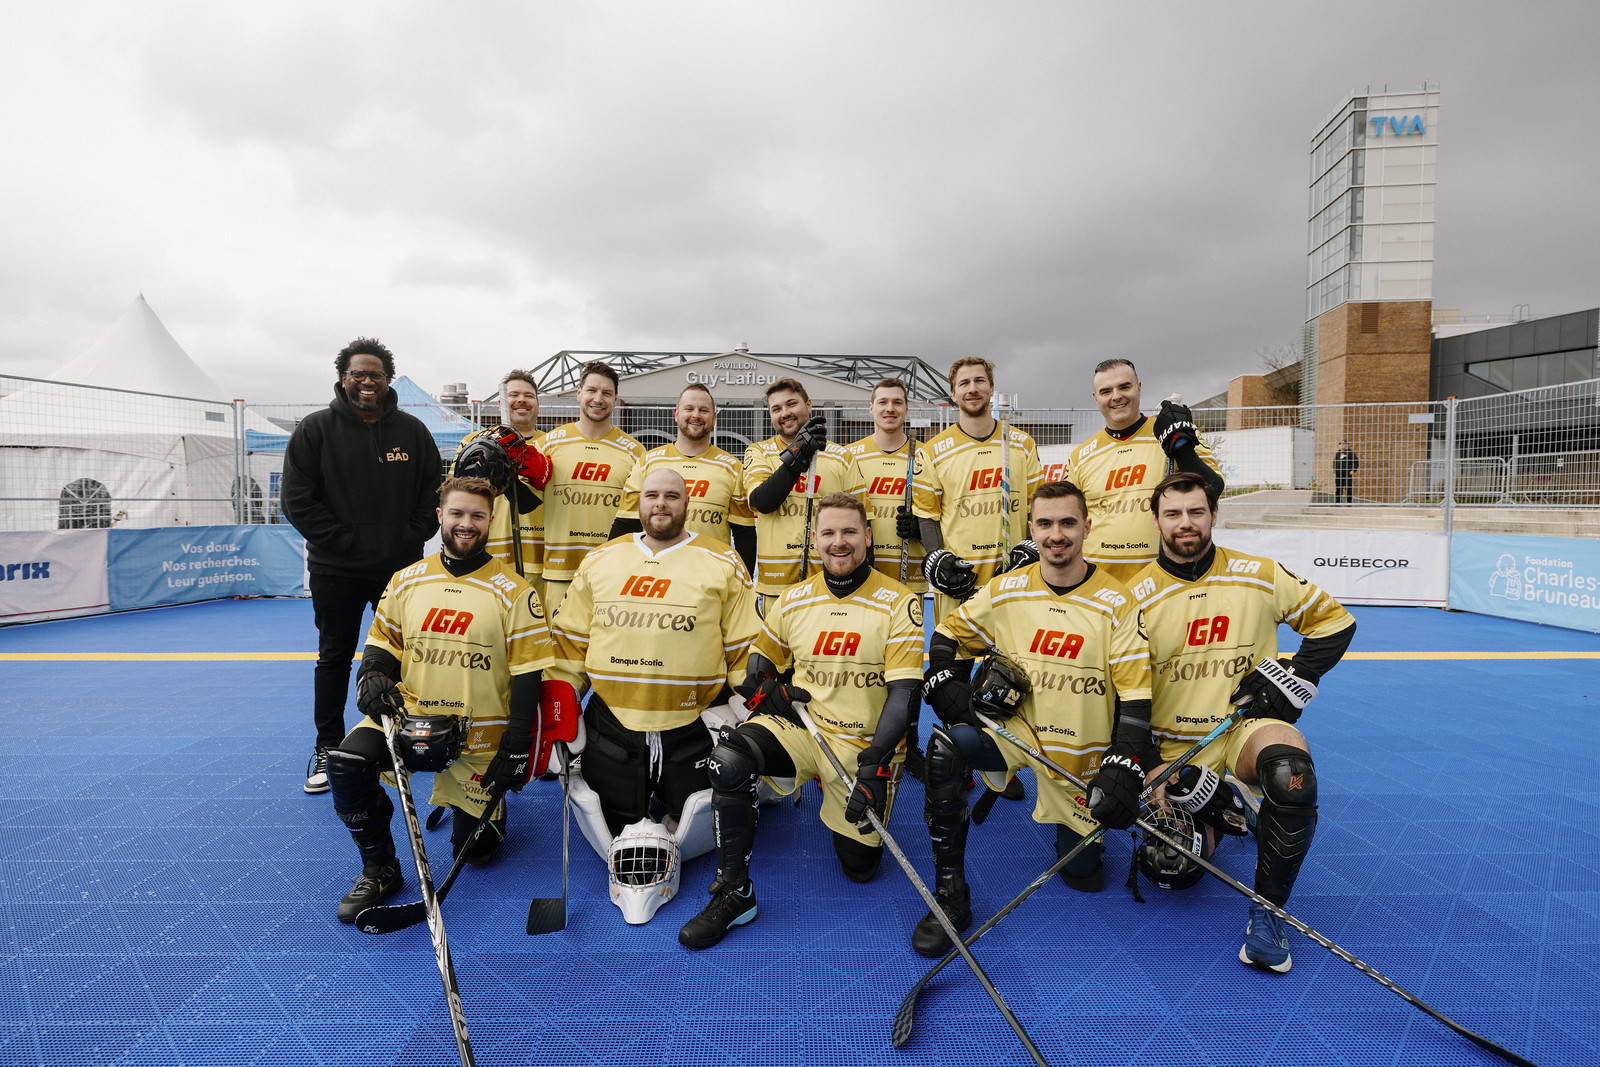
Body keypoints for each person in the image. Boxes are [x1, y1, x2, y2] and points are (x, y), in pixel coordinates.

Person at [913, 480, 1153, 957]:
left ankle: (1076, 829)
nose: (1055, 534)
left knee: (1083, 877)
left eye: (1067, 523)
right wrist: (942, 676)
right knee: (945, 747)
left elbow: (1135, 698)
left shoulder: (1119, 602)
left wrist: (1125, 762)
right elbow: (948, 633)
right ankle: (950, 893)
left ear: (1087, 527)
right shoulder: (1006, 590)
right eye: (1044, 523)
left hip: (1079, 758)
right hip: (1014, 733)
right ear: (1031, 528)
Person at [1129, 471, 1356, 973]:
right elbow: (1120, 693)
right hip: (1172, 751)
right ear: (1156, 521)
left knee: (1293, 777)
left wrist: (1296, 673)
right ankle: (1225, 805)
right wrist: (1147, 763)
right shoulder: (1131, 597)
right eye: (1173, 513)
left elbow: (1336, 622)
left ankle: (1268, 913)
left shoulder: (1260, 574)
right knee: (1174, 866)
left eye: (1196, 511)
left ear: (1213, 514)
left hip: (1241, 732)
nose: (1185, 523)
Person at [678, 492, 923, 949]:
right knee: (728, 760)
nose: (839, 542)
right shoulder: (793, 598)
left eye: (849, 531)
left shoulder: (899, 602)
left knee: (860, 869)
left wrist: (875, 762)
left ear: (868, 537)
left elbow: (905, 694)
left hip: (862, 745)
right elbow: (756, 671)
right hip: (803, 729)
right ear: (815, 540)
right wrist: (769, 694)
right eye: (828, 533)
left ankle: (844, 801)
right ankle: (735, 893)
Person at [324, 476, 555, 922]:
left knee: (478, 853)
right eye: (457, 513)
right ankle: (380, 868)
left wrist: (516, 746)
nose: (466, 523)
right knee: (348, 763)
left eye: (477, 515)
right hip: (409, 716)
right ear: (440, 517)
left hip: (479, 739)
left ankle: (491, 813)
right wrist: (371, 675)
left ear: (491, 520)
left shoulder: (516, 591)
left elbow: (529, 675)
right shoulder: (406, 580)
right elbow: (383, 645)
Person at [549, 468, 760, 844]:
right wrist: (556, 717)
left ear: (687, 504)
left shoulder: (723, 561)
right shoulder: (601, 558)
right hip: (613, 724)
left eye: (671, 496)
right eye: (652, 496)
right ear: (639, 502)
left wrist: (754, 715)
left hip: (694, 724)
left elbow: (744, 648)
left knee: (700, 822)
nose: (661, 504)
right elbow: (569, 644)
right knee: (616, 825)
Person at [281, 337, 442, 796]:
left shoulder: (413, 431)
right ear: (343, 378)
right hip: (336, 570)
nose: (367, 381)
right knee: (334, 657)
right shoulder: (315, 430)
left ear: (388, 380)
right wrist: (347, 542)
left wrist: (409, 537)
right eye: (359, 374)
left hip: (400, 571)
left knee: (408, 656)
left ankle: (406, 743)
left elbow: (433, 491)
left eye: (376, 374)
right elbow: (296, 501)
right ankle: (327, 747)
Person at [1065, 358, 1222, 584]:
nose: (1116, 396)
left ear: (1138, 388)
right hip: (1100, 584)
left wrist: (1182, 448)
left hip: (1165, 582)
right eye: (1106, 391)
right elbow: (1066, 517)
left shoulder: (1173, 430)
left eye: (1124, 387)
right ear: (1095, 398)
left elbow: (1213, 490)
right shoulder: (1080, 455)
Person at [914, 356, 1044, 629]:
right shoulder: (933, 451)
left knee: (1013, 655)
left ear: (991, 388)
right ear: (953, 393)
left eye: (979, 381)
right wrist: (937, 559)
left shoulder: (1023, 444)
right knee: (953, 652)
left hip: (1013, 580)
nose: (972, 389)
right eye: (964, 383)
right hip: (959, 582)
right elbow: (927, 516)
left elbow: (1037, 508)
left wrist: (1031, 550)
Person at [742, 378, 867, 610]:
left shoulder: (841, 457)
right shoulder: (758, 452)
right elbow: (762, 501)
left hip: (833, 583)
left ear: (808, 405)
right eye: (776, 409)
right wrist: (796, 455)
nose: (785, 413)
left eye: (791, 404)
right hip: (777, 585)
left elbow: (862, 521)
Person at [610, 383, 757, 575]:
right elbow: (625, 525)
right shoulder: (648, 463)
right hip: (655, 575)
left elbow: (744, 535)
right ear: (676, 414)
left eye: (703, 410)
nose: (696, 415)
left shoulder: (733, 468)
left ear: (713, 418)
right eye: (689, 409)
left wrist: (743, 581)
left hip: (709, 577)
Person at [536, 361, 645, 619]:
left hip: (613, 573)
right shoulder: (547, 445)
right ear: (579, 393)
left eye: (606, 393)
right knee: (557, 644)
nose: (598, 399)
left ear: (615, 399)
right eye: (592, 390)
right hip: (560, 571)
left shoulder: (635, 451)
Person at [450, 370, 552, 583]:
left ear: (537, 404)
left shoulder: (553, 444)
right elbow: (453, 495)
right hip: (486, 557)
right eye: (513, 395)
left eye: (529, 395)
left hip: (539, 561)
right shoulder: (473, 443)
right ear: (501, 404)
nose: (521, 400)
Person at [845, 378, 931, 594]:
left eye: (897, 402)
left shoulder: (927, 455)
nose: (890, 409)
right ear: (871, 408)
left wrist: (921, 528)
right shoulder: (849, 456)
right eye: (883, 402)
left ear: (906, 408)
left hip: (911, 574)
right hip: (861, 573)